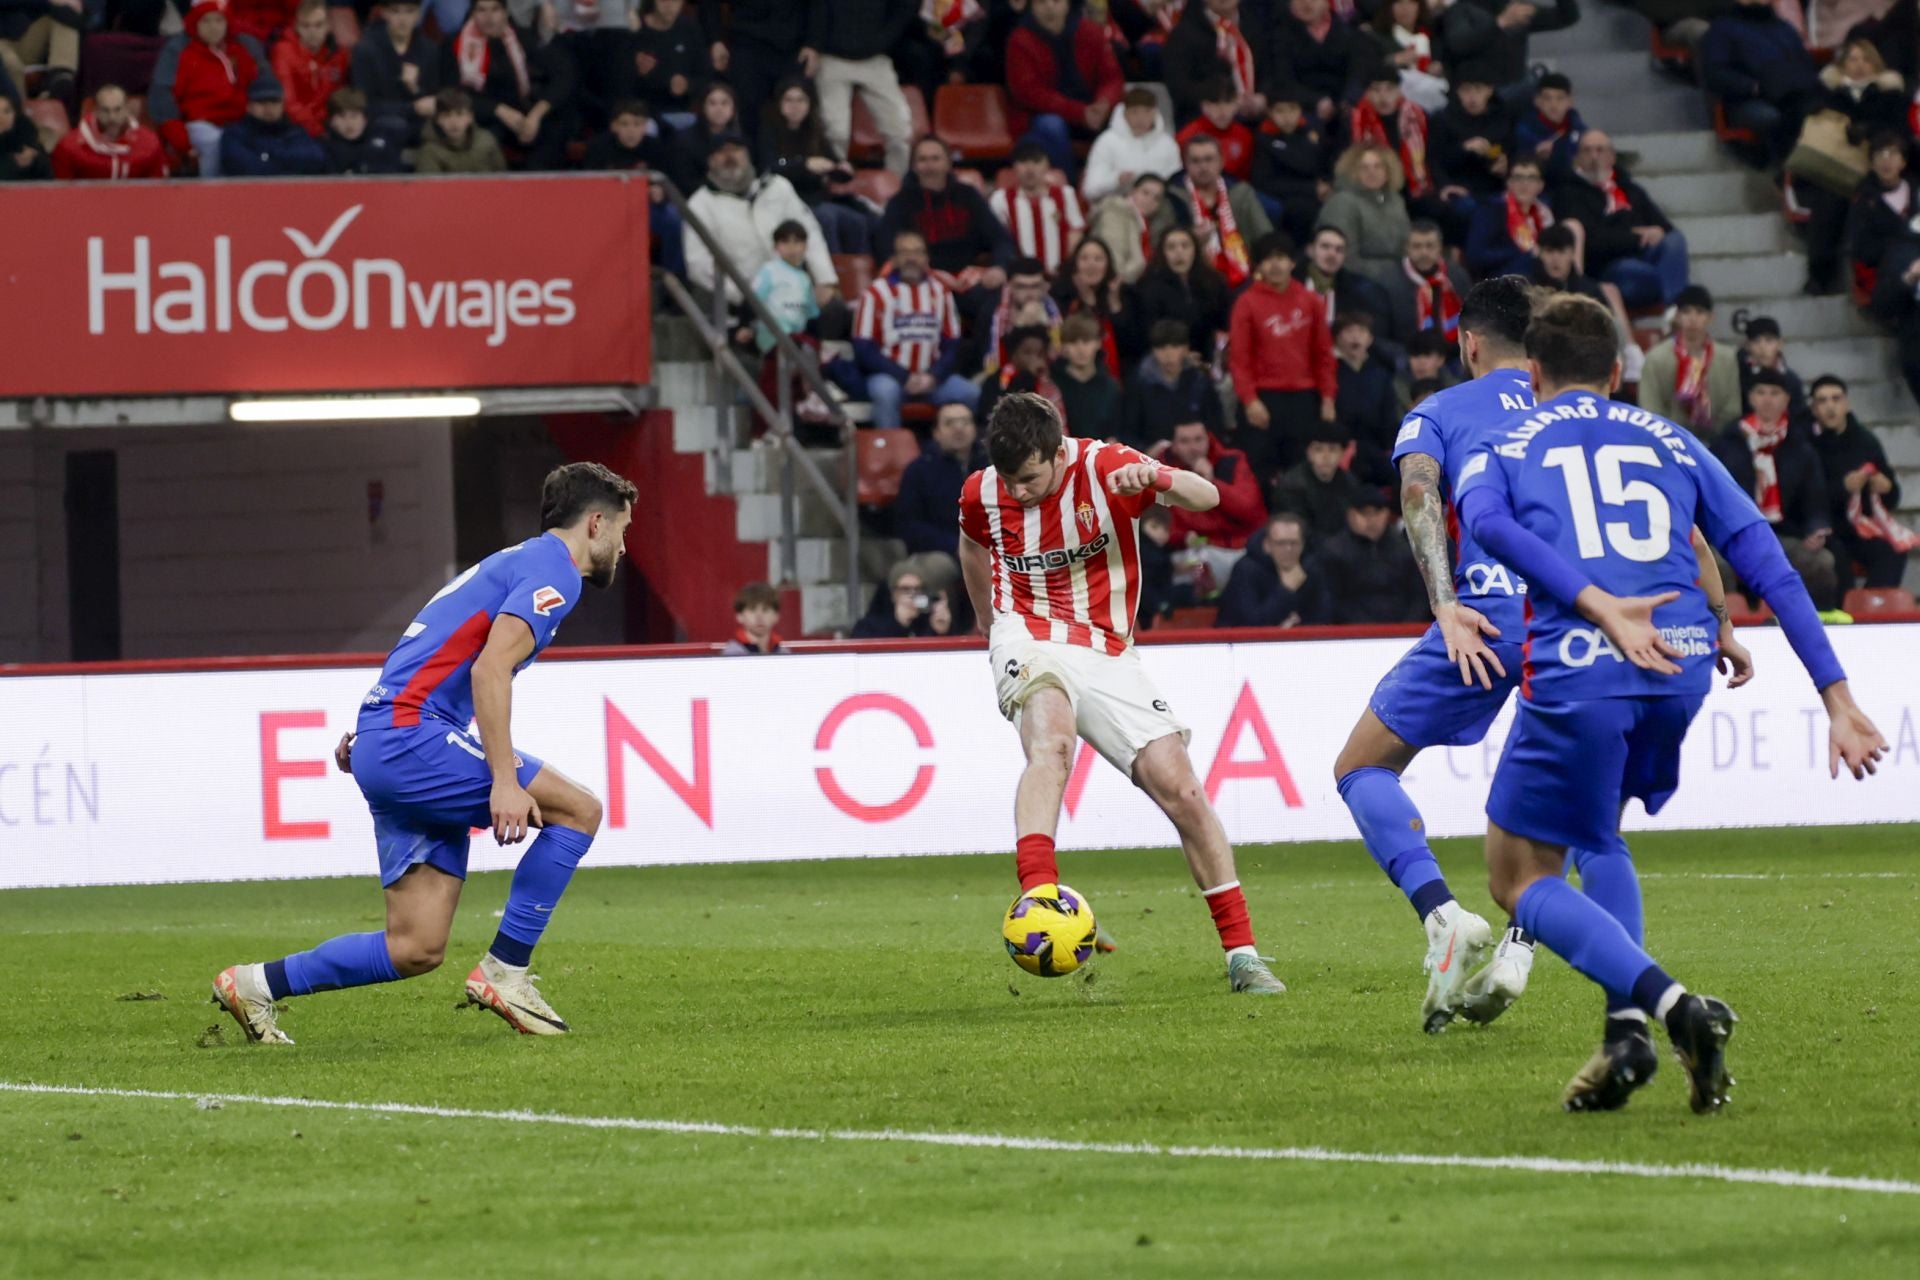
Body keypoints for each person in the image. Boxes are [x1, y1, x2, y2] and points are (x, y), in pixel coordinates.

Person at [1452, 291, 1885, 1112]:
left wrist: (1595, 602)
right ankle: (1624, 1038)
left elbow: (1489, 528)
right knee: (1597, 833)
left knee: (1516, 875)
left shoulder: (1503, 442)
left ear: (1534, 370)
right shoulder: (1676, 439)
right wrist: (1836, 694)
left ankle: (1674, 1007)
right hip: (1681, 666)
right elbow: (1764, 556)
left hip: (1586, 664)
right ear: (1617, 372)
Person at [1331, 275, 1751, 1035]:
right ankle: (1558, 968)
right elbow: (1685, 531)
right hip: (1585, 629)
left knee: (1361, 766)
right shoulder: (1589, 418)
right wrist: (1720, 619)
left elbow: (1421, 494)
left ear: (1467, 344)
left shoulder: (1436, 411)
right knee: (1586, 826)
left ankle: (1443, 918)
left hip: (1486, 618)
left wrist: (1444, 605)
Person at [212, 463, 639, 1046]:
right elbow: (491, 669)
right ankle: (505, 972)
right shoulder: (554, 573)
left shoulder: (512, 562)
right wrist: (502, 780)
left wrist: (373, 731)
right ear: (595, 523)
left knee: (415, 947)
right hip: (413, 735)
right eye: (621, 529)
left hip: (389, 736)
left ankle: (253, 984)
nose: (622, 545)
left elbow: (434, 644)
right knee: (579, 811)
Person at [957, 391, 1288, 996]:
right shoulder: (982, 491)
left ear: (1058, 453)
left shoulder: (1107, 468)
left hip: (1107, 648)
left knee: (1183, 790)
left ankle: (1243, 956)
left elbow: (1212, 499)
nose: (1020, 492)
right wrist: (991, 625)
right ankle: (1040, 899)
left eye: (1030, 478)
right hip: (1026, 630)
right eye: (1011, 481)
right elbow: (973, 545)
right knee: (1052, 744)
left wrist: (1160, 477)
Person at [1710, 370, 1841, 610]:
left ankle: (1816, 621)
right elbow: (1712, 495)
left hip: (1783, 534)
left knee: (1821, 562)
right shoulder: (1727, 443)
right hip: (1735, 534)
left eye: (1774, 393)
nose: (1767, 399)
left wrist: (1816, 528)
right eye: (1760, 393)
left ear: (1786, 399)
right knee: (1715, 565)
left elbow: (1815, 497)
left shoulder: (1801, 446)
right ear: (1750, 398)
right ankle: (1723, 625)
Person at [1229, 231, 1338, 484]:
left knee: (1301, 471)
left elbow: (1323, 355)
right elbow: (1239, 359)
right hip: (1264, 398)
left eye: (1281, 258)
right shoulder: (1246, 303)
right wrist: (1250, 400)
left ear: (1292, 262)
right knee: (1260, 471)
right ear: (1258, 265)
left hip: (1304, 400)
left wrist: (1328, 397)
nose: (1275, 265)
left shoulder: (1310, 301)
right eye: (1268, 259)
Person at [1800, 41, 1907, 294]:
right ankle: (1819, 274)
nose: (1859, 65)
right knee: (1827, 203)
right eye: (1853, 59)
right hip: (1836, 168)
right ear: (1842, 64)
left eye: (1866, 59)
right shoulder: (1827, 93)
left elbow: (1900, 133)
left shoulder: (1891, 94)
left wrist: (1870, 131)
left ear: (1876, 64)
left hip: (1878, 170)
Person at [686, 134, 837, 307]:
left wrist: (824, 278)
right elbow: (698, 264)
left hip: (790, 293)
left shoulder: (777, 187)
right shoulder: (700, 204)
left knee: (835, 310)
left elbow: (809, 230)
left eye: (736, 150)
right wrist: (744, 296)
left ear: (747, 155)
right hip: (737, 304)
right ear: (710, 161)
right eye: (721, 152)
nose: (730, 157)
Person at [853, 228, 978, 428]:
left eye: (917, 252)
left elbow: (952, 344)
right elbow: (864, 349)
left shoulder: (941, 292)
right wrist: (904, 376)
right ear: (894, 258)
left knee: (971, 393)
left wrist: (933, 376)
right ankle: (891, 454)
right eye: (904, 252)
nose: (911, 258)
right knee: (885, 393)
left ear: (926, 258)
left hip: (932, 378)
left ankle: (961, 455)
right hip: (890, 377)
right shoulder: (874, 293)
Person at [1554, 129, 1689, 309]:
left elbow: (1665, 227)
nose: (1594, 156)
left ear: (1612, 157)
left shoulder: (1630, 189)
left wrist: (1657, 231)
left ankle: (1674, 310)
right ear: (1577, 158)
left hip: (1645, 258)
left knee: (1675, 240)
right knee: (1637, 271)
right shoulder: (1568, 193)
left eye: (1600, 150)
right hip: (1609, 268)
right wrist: (1634, 237)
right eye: (1587, 150)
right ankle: (1676, 301)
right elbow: (1593, 241)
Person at [440, 0, 576, 171]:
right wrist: (499, 111)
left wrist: (536, 114)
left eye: (495, 10)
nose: (489, 17)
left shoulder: (521, 37)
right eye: (481, 10)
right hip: (481, 117)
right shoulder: (455, 43)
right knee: (487, 138)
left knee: (554, 130)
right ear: (473, 14)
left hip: (524, 113)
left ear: (506, 13)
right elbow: (452, 94)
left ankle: (539, 189)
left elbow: (564, 72)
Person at [1809, 375, 1915, 590]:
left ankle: (1872, 609)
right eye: (1823, 400)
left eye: (1836, 399)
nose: (1830, 406)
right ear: (1813, 409)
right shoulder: (1807, 446)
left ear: (1847, 404)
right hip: (1826, 530)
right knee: (1835, 558)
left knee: (1892, 552)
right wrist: (1842, 489)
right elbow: (1806, 500)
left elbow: (1892, 497)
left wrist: (1886, 488)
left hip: (1859, 528)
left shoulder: (1865, 441)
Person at [1005, 0, 1124, 176]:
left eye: (1056, 1)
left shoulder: (1090, 31)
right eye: (1041, 3)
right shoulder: (1020, 40)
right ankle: (1069, 187)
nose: (1049, 7)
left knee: (1123, 116)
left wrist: (1104, 103)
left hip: (1092, 111)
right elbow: (1029, 92)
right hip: (1040, 116)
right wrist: (1079, 112)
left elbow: (1112, 77)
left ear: (1068, 4)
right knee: (1051, 125)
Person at [880, 135, 1016, 287]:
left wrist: (1000, 268)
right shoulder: (899, 203)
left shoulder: (968, 195)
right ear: (914, 166)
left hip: (968, 280)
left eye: (935, 159)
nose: (930, 166)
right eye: (923, 160)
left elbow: (1000, 239)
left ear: (948, 163)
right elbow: (886, 249)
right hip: (920, 280)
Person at [756, 77, 870, 257]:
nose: (795, 106)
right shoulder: (768, 132)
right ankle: (833, 271)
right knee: (827, 217)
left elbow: (834, 166)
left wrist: (843, 169)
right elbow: (770, 168)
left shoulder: (814, 132)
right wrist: (804, 165)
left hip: (818, 198)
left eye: (801, 100)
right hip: (790, 201)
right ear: (779, 103)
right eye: (789, 100)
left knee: (858, 221)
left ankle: (857, 272)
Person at [1700, 0, 1820, 167]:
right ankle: (1783, 170)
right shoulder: (1722, 28)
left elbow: (1806, 67)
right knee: (1772, 118)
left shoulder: (1785, 28)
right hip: (1746, 100)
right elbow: (1715, 74)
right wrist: (1753, 87)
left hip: (1792, 95)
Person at [802, 0, 916, 175]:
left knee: (900, 131)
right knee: (835, 131)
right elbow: (818, 9)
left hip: (876, 60)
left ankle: (896, 185)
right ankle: (833, 182)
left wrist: (883, 40)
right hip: (833, 58)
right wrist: (815, 44)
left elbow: (905, 8)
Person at [1153, 133, 1272, 289]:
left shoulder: (1241, 193)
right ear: (1185, 164)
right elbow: (1158, 241)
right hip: (1191, 281)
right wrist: (1191, 238)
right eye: (1195, 161)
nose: (1203, 167)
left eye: (1209, 159)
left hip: (1243, 277)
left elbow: (1265, 236)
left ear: (1221, 162)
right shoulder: (1173, 196)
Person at [162, 0, 266, 177]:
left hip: (238, 121)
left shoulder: (239, 52)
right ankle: (210, 192)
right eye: (206, 21)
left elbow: (256, 86)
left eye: (219, 21)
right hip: (202, 123)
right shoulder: (187, 56)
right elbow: (169, 100)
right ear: (196, 24)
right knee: (215, 142)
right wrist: (180, 139)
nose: (213, 27)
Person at [1163, 418, 1267, 568]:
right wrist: (1182, 536)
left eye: (1198, 439)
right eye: (1185, 441)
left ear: (1208, 438)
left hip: (1244, 546)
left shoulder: (1233, 460)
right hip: (1199, 549)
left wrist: (1212, 483)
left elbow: (1249, 509)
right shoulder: (1165, 472)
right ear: (1174, 446)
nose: (1193, 447)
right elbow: (1162, 521)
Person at [1638, 285, 1738, 437]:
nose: (1693, 319)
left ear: (1710, 317)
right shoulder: (1656, 358)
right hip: (1668, 440)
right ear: (1677, 316)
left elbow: (1732, 409)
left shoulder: (1727, 358)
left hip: (1718, 443)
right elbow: (1650, 407)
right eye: (1686, 312)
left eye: (1699, 312)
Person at [1437, 0, 1580, 105]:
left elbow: (1567, 17)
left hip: (1516, 90)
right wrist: (1500, 22)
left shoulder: (1516, 7)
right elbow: (1458, 44)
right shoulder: (1461, 9)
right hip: (1478, 96)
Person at [894, 402, 986, 557]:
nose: (959, 428)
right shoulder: (919, 470)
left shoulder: (994, 467)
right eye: (949, 423)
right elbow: (909, 525)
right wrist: (955, 546)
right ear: (936, 432)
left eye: (965, 422)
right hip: (942, 552)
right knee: (912, 577)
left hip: (992, 552)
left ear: (975, 429)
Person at [1120, 318, 1226, 452]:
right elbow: (1128, 432)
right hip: (1152, 462)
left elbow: (1215, 428)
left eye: (1175, 347)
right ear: (1153, 350)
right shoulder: (1138, 384)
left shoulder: (1199, 382)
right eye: (1162, 348)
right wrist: (1146, 452)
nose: (1168, 354)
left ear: (1186, 349)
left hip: (1195, 459)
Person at [1315, 144, 1414, 285]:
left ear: (1388, 171)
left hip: (1397, 273)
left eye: (1378, 166)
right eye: (1364, 167)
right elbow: (1346, 258)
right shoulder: (1342, 203)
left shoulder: (1395, 200)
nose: (1371, 172)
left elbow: (1407, 245)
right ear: (1352, 171)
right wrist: (1392, 273)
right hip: (1357, 278)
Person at [1161, 0, 1269, 125]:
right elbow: (1178, 86)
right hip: (1203, 120)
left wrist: (1265, 97)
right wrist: (1222, 102)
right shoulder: (1183, 34)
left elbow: (1273, 70)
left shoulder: (1258, 26)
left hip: (1256, 116)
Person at [1216, 513, 1331, 627]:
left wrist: (1296, 626)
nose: (1288, 549)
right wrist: (1286, 591)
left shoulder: (1310, 568)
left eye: (1294, 543)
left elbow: (1323, 616)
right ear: (1267, 544)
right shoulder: (1245, 569)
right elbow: (1249, 622)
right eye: (1280, 543)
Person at [990, 141, 1088, 276]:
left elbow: (1075, 235)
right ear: (1014, 167)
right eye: (1023, 162)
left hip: (1059, 278)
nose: (1030, 169)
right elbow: (998, 242)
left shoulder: (1065, 194)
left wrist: (1066, 272)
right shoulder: (1001, 199)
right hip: (1019, 280)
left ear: (1047, 165)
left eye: (1036, 162)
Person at [1134, 224, 1233, 358]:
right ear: (1162, 253)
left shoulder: (1214, 282)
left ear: (1195, 251)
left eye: (1185, 246)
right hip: (1167, 360)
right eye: (1171, 247)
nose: (1179, 252)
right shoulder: (1149, 287)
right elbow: (1149, 334)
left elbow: (1225, 323)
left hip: (1211, 357)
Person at [348, 0, 438, 145]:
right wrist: (412, 108)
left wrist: (415, 89)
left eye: (409, 11)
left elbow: (431, 101)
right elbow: (364, 103)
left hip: (419, 123)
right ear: (385, 13)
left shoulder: (429, 49)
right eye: (396, 11)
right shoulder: (365, 50)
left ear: (419, 15)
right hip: (380, 122)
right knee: (395, 126)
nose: (403, 19)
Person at [1269, 0, 1370, 128]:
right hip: (1303, 106)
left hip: (1342, 103)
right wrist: (1315, 101)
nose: (1306, 4)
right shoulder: (1281, 35)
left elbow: (1358, 73)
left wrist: (1347, 101)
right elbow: (1283, 78)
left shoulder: (1348, 33)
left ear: (1328, 3)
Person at [1271, 419, 1369, 545]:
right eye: (1318, 449)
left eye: (1332, 450)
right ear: (1309, 453)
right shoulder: (1291, 485)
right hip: (1305, 550)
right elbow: (1297, 528)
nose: (1325, 456)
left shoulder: (1350, 482)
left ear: (1342, 453)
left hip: (1343, 548)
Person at [1250, 92, 1330, 245]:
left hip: (1315, 193)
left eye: (1292, 110)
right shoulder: (1263, 139)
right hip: (1285, 198)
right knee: (1305, 211)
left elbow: (1324, 165)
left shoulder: (1311, 133)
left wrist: (1326, 185)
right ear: (1270, 112)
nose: (1287, 117)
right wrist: (1311, 189)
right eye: (1280, 111)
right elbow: (1264, 183)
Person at [1382, 220, 1473, 351]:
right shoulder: (1389, 283)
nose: (1424, 252)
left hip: (1455, 354)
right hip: (1409, 358)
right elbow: (1384, 338)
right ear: (1407, 248)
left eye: (1430, 246)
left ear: (1440, 248)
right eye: (1417, 246)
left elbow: (1471, 322)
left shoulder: (1457, 277)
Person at [966, 256, 1062, 379]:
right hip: (998, 376)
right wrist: (1020, 326)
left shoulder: (1053, 308)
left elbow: (1060, 356)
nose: (1029, 294)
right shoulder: (992, 310)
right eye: (1021, 286)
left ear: (1044, 286)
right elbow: (985, 357)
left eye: (1035, 286)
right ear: (1009, 285)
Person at [1333, 312, 1401, 484]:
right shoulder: (1330, 373)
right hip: (1341, 448)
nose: (1355, 337)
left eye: (1361, 331)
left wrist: (1388, 446)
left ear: (1370, 338)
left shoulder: (1380, 374)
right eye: (1349, 331)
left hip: (1376, 447)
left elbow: (1388, 414)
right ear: (1337, 338)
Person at [1082, 85, 1182, 203]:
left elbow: (1177, 184)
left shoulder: (1168, 144)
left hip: (1158, 204)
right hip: (1117, 203)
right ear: (1124, 113)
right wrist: (1116, 180)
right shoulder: (1107, 142)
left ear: (1155, 113)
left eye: (1146, 112)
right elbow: (1090, 189)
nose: (1141, 118)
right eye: (1135, 112)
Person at [1430, 74, 1517, 210]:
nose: (1472, 96)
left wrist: (1505, 164)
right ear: (1457, 91)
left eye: (1478, 89)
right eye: (1466, 90)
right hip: (1459, 185)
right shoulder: (1443, 119)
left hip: (1494, 184)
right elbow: (1435, 159)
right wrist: (1463, 149)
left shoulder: (1502, 118)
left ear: (1489, 90)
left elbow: (1511, 150)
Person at [51, 82, 168, 179]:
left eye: (118, 110)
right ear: (95, 110)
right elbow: (61, 192)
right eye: (105, 110)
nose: (112, 117)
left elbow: (158, 188)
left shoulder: (149, 143)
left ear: (127, 109)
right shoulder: (70, 147)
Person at [1295, 224, 1394, 337]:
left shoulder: (1355, 292)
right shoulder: (1291, 283)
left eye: (1339, 250)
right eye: (1325, 247)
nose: (1332, 254)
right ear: (1310, 250)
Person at [1465, 156, 1554, 279]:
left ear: (1541, 185)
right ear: (1508, 183)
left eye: (1531, 178)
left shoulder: (1544, 214)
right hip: (1501, 281)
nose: (1524, 184)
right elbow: (1476, 257)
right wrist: (1521, 253)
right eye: (1518, 178)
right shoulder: (1490, 210)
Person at [271, 0, 348, 139]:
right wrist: (318, 130)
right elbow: (290, 104)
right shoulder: (284, 52)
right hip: (296, 129)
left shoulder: (339, 55)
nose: (312, 32)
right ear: (297, 27)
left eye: (318, 25)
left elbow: (341, 98)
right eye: (305, 26)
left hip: (330, 126)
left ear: (329, 26)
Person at [219, 77, 327, 175]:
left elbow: (316, 159)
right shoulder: (235, 134)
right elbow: (245, 168)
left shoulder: (295, 132)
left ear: (282, 104)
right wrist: (288, 164)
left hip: (293, 194)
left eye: (274, 101)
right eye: (261, 102)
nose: (269, 108)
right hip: (248, 194)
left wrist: (268, 155)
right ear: (249, 106)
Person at [628, 0, 710, 125]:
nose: (669, 6)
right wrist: (636, 71)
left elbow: (706, 76)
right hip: (640, 114)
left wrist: (687, 85)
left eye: (675, 1)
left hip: (681, 112)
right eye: (664, 1)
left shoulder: (690, 29)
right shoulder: (636, 30)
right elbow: (617, 80)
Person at [1367, 0, 1450, 113]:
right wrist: (1395, 60)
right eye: (1399, 2)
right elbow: (1367, 70)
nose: (1405, 8)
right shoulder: (1376, 38)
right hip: (1393, 105)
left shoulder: (1432, 35)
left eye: (1411, 2)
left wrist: (1438, 69)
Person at [978, 323, 1068, 426]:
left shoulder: (1051, 381)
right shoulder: (996, 381)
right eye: (1027, 353)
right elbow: (990, 415)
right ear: (1013, 355)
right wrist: (1028, 377)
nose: (1035, 359)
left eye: (1040, 353)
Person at [0, 0, 79, 113]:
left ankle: (61, 74)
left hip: (24, 33)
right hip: (3, 44)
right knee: (13, 65)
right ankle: (20, 116)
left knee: (66, 16)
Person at [1089, 173, 1166, 285]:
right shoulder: (1115, 213)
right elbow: (1115, 264)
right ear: (1133, 192)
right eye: (1145, 193)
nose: (1150, 200)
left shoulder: (1142, 222)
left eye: (1156, 198)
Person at [1055, 312, 1124, 436]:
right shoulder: (1052, 385)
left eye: (1086, 341)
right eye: (1073, 342)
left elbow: (1118, 430)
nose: (1081, 349)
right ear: (1064, 346)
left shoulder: (1110, 387)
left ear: (1098, 343)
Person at [1512, 71, 1586, 185]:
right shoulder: (1525, 131)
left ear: (1570, 101)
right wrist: (1535, 158)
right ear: (1537, 101)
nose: (1554, 104)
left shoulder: (1580, 130)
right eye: (1547, 98)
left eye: (1560, 98)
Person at [1176, 77, 1255, 183]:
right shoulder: (1186, 136)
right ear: (1204, 106)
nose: (1222, 111)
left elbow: (1246, 178)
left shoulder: (1245, 136)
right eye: (1215, 104)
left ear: (1237, 103)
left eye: (1228, 103)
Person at [414, 85, 507, 172]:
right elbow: (429, 187)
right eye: (446, 115)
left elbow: (504, 179)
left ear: (470, 117)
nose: (454, 122)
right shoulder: (429, 150)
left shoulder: (486, 141)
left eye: (460, 114)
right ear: (437, 119)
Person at [1734, 314, 1806, 420]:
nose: (1762, 347)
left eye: (1769, 340)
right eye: (1756, 341)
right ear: (1747, 346)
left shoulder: (1792, 380)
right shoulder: (1738, 377)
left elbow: (1799, 417)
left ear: (1780, 344)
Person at [323, 87, 406, 173]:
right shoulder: (325, 148)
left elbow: (394, 173)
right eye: (341, 116)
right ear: (332, 120)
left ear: (365, 118)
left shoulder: (382, 140)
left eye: (354, 116)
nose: (349, 123)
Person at [722, 582, 787, 655]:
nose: (759, 617)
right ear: (739, 616)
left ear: (776, 616)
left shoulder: (783, 652)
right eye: (752, 610)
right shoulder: (732, 653)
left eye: (765, 610)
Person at [0, 91, 48, 180]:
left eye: (6, 111)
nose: (1, 117)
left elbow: (48, 180)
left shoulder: (29, 140)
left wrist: (33, 161)